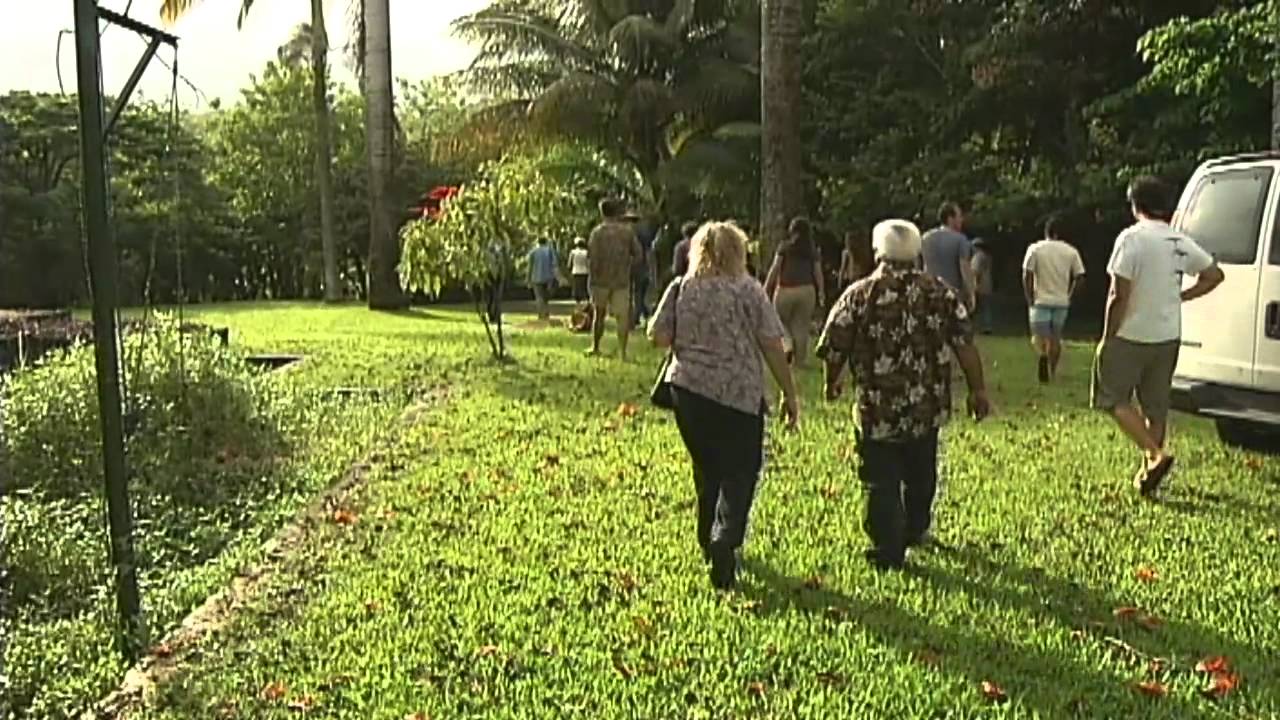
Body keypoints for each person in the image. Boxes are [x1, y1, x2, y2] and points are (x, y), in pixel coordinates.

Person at [817, 219, 991, 571]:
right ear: (916, 252)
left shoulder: (859, 294)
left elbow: (835, 344)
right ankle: (915, 527)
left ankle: (887, 547)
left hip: (876, 406)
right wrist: (978, 391)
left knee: (879, 479)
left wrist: (831, 381)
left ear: (878, 251)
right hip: (926, 405)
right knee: (921, 472)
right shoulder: (939, 292)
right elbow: (965, 345)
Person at [649, 221, 800, 590]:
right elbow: (771, 344)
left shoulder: (682, 287)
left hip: (688, 392)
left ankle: (707, 537)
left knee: (707, 468)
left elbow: (658, 335)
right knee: (741, 471)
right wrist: (789, 393)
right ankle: (724, 538)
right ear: (739, 251)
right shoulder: (747, 290)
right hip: (738, 395)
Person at [1092, 176, 1224, 496]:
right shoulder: (1177, 241)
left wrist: (1108, 334)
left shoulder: (1131, 239)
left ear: (1135, 205)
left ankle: (1154, 454)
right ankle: (1149, 472)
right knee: (1155, 407)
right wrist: (1184, 296)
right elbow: (1214, 274)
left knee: (1111, 398)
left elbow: (1117, 294)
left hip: (1131, 333)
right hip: (1168, 336)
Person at [1023, 217, 1086, 382]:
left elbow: (1027, 274)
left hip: (1040, 300)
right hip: (1061, 301)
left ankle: (1042, 355)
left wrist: (1030, 298)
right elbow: (1080, 277)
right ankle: (1052, 370)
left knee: (1039, 336)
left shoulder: (1035, 249)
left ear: (1046, 231)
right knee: (1056, 337)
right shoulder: (1071, 252)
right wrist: (1070, 296)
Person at [764, 217, 826, 367]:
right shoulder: (812, 251)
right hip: (807, 290)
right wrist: (821, 292)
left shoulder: (784, 248)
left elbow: (775, 268)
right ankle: (800, 362)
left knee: (779, 320)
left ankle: (787, 344)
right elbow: (818, 272)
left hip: (785, 289)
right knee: (801, 326)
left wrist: (766, 287)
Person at [588, 198, 644, 360]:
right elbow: (639, 254)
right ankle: (623, 352)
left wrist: (592, 277)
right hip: (621, 279)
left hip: (601, 279)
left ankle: (596, 346)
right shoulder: (627, 232)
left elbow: (593, 258)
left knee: (599, 315)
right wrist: (629, 267)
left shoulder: (597, 232)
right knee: (622, 317)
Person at [922, 202, 976, 309]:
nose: (962, 220)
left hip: (929, 294)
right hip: (953, 296)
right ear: (950, 219)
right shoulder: (961, 240)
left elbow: (920, 265)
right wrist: (971, 293)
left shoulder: (925, 238)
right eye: (959, 216)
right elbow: (964, 267)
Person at [527, 237, 559, 321]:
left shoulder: (533, 252)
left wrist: (528, 279)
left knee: (539, 297)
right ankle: (545, 313)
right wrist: (556, 276)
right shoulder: (550, 251)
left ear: (538, 242)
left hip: (536, 277)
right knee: (545, 297)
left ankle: (541, 314)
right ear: (546, 242)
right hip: (548, 277)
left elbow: (530, 266)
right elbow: (554, 264)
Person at [970, 238, 995, 334]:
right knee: (986, 308)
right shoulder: (987, 257)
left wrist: (974, 284)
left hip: (980, 285)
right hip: (988, 284)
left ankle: (973, 327)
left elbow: (976, 271)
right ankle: (987, 326)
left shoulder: (978, 257)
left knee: (974, 307)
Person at [568, 237, 590, 305]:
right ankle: (586, 299)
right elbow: (588, 263)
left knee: (576, 287)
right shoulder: (586, 252)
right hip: (585, 271)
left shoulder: (573, 252)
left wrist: (569, 269)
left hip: (576, 271)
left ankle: (577, 300)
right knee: (584, 286)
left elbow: (569, 263)